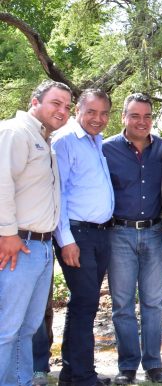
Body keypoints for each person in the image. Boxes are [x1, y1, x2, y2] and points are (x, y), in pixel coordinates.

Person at [0, 80, 71, 386]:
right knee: (6, 327)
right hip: (19, 244)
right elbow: (1, 183)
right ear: (35, 102)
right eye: (56, 103)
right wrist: (7, 233)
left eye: (67, 107)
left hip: (41, 247)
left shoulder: (45, 140)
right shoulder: (16, 132)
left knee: (27, 327)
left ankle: (20, 381)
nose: (62, 111)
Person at [103, 93, 162, 384]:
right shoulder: (106, 149)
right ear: (123, 117)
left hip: (155, 233)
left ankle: (154, 364)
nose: (141, 122)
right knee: (122, 303)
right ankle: (127, 365)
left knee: (154, 302)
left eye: (146, 116)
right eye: (134, 115)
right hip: (119, 233)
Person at [52, 89, 115, 386]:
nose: (98, 118)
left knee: (85, 304)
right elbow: (58, 194)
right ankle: (82, 376)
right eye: (91, 111)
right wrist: (66, 240)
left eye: (104, 113)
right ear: (78, 109)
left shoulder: (96, 141)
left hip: (100, 235)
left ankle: (71, 374)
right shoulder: (66, 141)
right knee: (85, 303)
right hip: (77, 235)